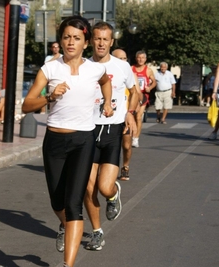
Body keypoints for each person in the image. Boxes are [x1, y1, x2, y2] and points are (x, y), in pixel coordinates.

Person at [22, 15, 113, 267]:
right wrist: (50, 97)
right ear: (60, 41)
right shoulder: (50, 69)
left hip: (83, 141)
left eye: (76, 38)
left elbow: (106, 82)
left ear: (86, 42)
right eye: (66, 37)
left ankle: (67, 264)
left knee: (74, 204)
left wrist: (107, 102)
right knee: (57, 201)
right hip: (54, 141)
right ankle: (63, 224)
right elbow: (27, 104)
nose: (71, 42)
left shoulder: (95, 69)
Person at [83, 22, 138, 251]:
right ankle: (97, 232)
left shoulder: (122, 66)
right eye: (97, 39)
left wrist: (130, 113)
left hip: (113, 130)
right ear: (91, 41)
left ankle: (113, 195)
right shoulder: (84, 66)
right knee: (88, 187)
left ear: (111, 42)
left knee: (104, 188)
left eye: (105, 39)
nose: (101, 43)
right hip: (87, 129)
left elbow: (134, 92)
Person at [112, 49, 143, 181]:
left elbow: (138, 94)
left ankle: (125, 166)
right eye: (120, 59)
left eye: (125, 58)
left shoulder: (130, 74)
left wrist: (133, 107)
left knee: (126, 145)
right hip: (109, 116)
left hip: (125, 115)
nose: (124, 61)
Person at [131, 51, 157, 147]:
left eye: (143, 58)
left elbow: (154, 82)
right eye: (139, 57)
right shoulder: (131, 69)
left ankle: (136, 138)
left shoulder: (148, 70)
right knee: (132, 116)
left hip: (143, 95)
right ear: (136, 58)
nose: (141, 59)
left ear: (145, 59)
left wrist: (149, 88)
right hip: (133, 95)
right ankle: (131, 135)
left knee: (138, 116)